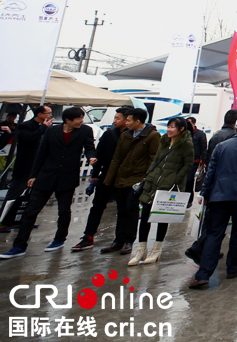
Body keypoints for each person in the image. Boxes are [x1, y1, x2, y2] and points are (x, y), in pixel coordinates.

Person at [0, 107, 97, 258]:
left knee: (64, 211)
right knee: (31, 211)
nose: (81, 121)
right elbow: (41, 153)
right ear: (68, 120)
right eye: (79, 118)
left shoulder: (85, 131)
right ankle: (19, 246)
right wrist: (33, 175)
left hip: (67, 177)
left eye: (82, 118)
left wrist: (92, 157)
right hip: (46, 175)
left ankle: (59, 239)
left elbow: (90, 147)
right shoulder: (52, 131)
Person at [188, 115, 237, 289]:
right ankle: (233, 268)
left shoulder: (221, 146)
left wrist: (204, 193)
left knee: (214, 234)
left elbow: (211, 171)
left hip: (219, 195)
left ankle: (203, 274)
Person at [128, 117, 194, 266]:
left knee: (162, 217)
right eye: (168, 126)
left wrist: (175, 180)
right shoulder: (164, 141)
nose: (169, 130)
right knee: (145, 216)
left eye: (173, 127)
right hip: (153, 183)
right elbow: (156, 159)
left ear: (181, 129)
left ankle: (157, 250)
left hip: (169, 186)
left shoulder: (186, 144)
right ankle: (141, 250)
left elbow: (188, 165)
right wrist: (150, 174)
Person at [101, 108, 160, 256]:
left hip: (137, 179)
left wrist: (147, 178)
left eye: (128, 120)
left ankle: (129, 240)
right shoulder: (125, 135)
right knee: (121, 209)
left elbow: (153, 159)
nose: (126, 123)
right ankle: (118, 240)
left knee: (131, 208)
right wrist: (109, 178)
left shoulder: (153, 136)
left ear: (137, 121)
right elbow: (117, 157)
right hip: (121, 177)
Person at [72, 106, 131, 251]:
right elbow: (99, 154)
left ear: (127, 120)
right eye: (115, 118)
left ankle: (120, 240)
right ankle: (88, 236)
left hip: (124, 179)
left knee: (123, 210)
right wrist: (94, 177)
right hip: (106, 177)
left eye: (118, 118)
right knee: (97, 206)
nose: (114, 121)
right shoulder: (109, 134)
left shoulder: (133, 136)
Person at [185, 109, 237, 263]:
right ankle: (199, 249)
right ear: (236, 122)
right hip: (225, 185)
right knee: (217, 223)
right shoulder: (232, 137)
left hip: (214, 183)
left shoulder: (216, 135)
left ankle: (207, 249)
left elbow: (210, 159)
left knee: (211, 219)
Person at [1, 106, 53, 214]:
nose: (50, 116)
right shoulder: (25, 126)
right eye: (48, 113)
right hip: (25, 164)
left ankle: (25, 217)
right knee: (15, 191)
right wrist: (43, 127)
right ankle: (4, 216)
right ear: (40, 114)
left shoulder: (46, 128)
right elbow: (30, 138)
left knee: (33, 194)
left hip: (39, 165)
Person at [185, 117, 207, 208]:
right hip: (185, 160)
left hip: (195, 161)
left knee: (189, 180)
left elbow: (203, 148)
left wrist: (204, 161)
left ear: (194, 123)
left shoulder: (200, 134)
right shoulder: (185, 133)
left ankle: (189, 200)